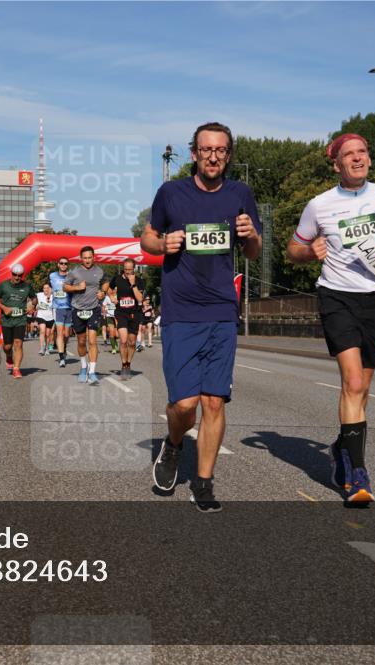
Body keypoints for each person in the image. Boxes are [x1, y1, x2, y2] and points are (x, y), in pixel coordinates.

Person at [286, 132, 375, 504]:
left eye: (362, 153)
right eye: (349, 155)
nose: (357, 159)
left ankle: (343, 448)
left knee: (363, 389)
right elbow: (293, 248)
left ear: (369, 159)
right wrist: (309, 252)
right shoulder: (319, 205)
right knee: (353, 382)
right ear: (336, 164)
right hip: (337, 295)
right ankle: (359, 476)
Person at [141, 122, 262, 512]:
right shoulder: (170, 193)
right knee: (184, 405)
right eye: (206, 149)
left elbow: (254, 252)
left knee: (213, 403)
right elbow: (146, 238)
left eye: (221, 150)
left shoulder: (240, 194)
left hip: (221, 311)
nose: (214, 156)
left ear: (229, 155)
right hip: (180, 312)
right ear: (194, 153)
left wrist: (251, 234)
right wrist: (163, 243)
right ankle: (174, 444)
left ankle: (205, 481)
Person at [64, 246, 108, 386]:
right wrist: (77, 288)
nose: (88, 260)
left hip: (94, 308)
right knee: (81, 341)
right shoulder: (74, 272)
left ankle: (92, 372)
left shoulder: (99, 271)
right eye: (85, 258)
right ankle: (83, 367)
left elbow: (106, 282)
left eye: (90, 257)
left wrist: (103, 292)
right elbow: (65, 287)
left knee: (93, 341)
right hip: (78, 308)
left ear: (93, 257)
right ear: (81, 258)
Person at [0, 263, 35, 378]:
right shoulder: (4, 285)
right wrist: (4, 308)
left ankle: (16, 369)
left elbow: (34, 298)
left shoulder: (27, 286)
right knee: (7, 346)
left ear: (22, 275)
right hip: (7, 320)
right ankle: (8, 356)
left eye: (19, 275)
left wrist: (32, 305)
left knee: (18, 343)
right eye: (15, 275)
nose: (17, 277)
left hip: (20, 319)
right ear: (11, 274)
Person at [107, 258, 146, 379]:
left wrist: (133, 284)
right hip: (121, 313)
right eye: (125, 269)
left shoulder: (139, 281)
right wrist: (112, 296)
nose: (127, 272)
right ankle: (124, 364)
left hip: (135, 313)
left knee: (132, 342)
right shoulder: (117, 278)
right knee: (123, 340)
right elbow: (108, 288)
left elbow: (140, 299)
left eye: (130, 270)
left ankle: (128, 363)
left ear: (134, 269)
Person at [49, 258, 74, 367]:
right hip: (58, 307)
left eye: (65, 263)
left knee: (66, 334)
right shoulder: (52, 276)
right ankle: (61, 358)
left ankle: (64, 348)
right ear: (58, 264)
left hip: (69, 307)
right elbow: (50, 287)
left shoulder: (71, 276)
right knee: (59, 332)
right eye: (62, 263)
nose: (63, 265)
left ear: (67, 265)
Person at [36, 282, 56, 355]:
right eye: (44, 288)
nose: (46, 289)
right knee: (42, 331)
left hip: (50, 317)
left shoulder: (53, 296)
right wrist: (35, 306)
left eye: (47, 288)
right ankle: (42, 348)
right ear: (43, 289)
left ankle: (47, 348)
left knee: (48, 334)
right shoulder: (39, 295)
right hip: (41, 316)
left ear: (50, 289)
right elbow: (34, 301)